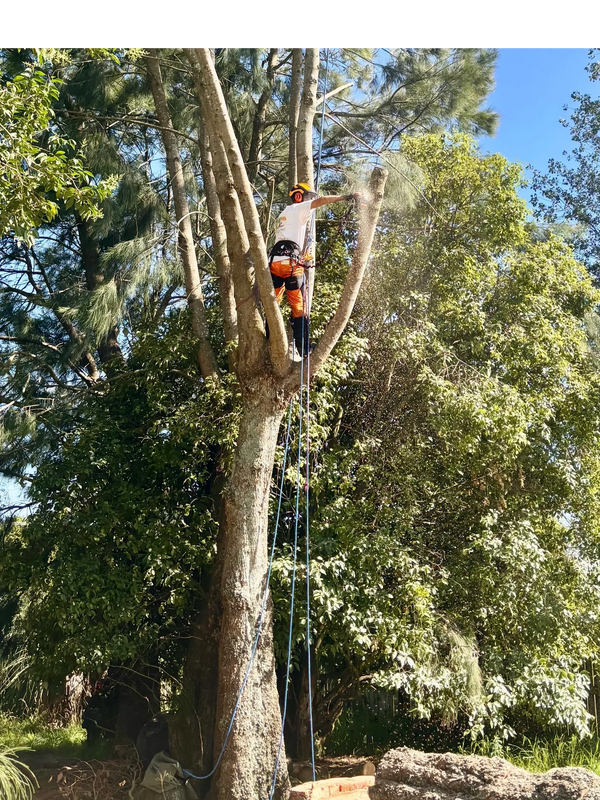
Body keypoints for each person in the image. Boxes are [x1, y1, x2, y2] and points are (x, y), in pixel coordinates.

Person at [268, 183, 359, 356]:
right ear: (298, 196)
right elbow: (322, 201)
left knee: (274, 304)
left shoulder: (283, 214)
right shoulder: (298, 208)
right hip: (290, 265)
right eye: (309, 197)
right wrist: (347, 197)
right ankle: (303, 348)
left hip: (274, 263)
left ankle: (269, 339)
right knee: (299, 306)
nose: (311, 201)